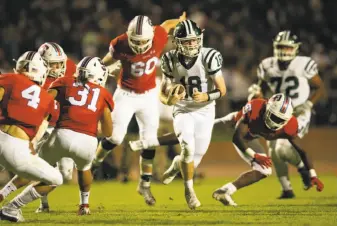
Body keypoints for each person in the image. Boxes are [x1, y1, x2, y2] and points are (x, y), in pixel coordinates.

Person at [0, 56, 113, 222]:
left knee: (36, 166)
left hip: (58, 135)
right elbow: (108, 131)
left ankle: (4, 194)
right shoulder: (103, 93)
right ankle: (84, 204)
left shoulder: (63, 82)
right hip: (86, 140)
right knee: (73, 171)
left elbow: (42, 102)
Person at [92, 12, 186, 206]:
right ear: (128, 35)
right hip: (125, 94)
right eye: (135, 40)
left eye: (143, 41)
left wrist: (180, 20)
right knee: (116, 137)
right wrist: (101, 68)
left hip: (149, 95)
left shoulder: (158, 35)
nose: (140, 45)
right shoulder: (120, 43)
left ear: (151, 35)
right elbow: (107, 59)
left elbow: (167, 24)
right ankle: (94, 163)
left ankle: (144, 184)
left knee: (149, 141)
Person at [0, 42, 77, 213]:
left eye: (59, 63)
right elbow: (42, 120)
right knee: (51, 175)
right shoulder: (45, 96)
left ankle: (10, 197)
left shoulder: (12, 78)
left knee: (50, 171)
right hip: (26, 137)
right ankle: (12, 208)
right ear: (41, 66)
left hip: (11, 133)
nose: (57, 67)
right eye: (52, 64)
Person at [247, 30, 325, 198]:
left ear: (296, 49)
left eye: (288, 48)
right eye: (282, 47)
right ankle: (287, 189)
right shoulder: (267, 65)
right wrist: (257, 94)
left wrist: (309, 104)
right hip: (277, 111)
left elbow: (320, 87)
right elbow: (260, 88)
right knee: (273, 148)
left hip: (298, 109)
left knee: (282, 147)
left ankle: (302, 169)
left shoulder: (304, 64)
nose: (284, 51)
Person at [159, 19, 226, 209]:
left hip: (205, 110)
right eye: (187, 41)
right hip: (183, 109)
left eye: (194, 40)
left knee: (195, 157)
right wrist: (168, 100)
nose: (192, 44)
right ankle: (189, 191)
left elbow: (222, 89)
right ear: (177, 42)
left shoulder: (209, 56)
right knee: (187, 146)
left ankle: (175, 164)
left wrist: (206, 95)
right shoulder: (169, 59)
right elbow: (162, 93)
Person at [212, 93, 324, 206]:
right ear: (267, 108)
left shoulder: (290, 125)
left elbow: (302, 151)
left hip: (249, 137)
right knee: (196, 136)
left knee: (264, 170)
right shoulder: (256, 106)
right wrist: (255, 156)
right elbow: (237, 137)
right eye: (273, 116)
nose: (274, 121)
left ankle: (225, 191)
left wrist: (313, 175)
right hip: (230, 126)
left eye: (280, 119)